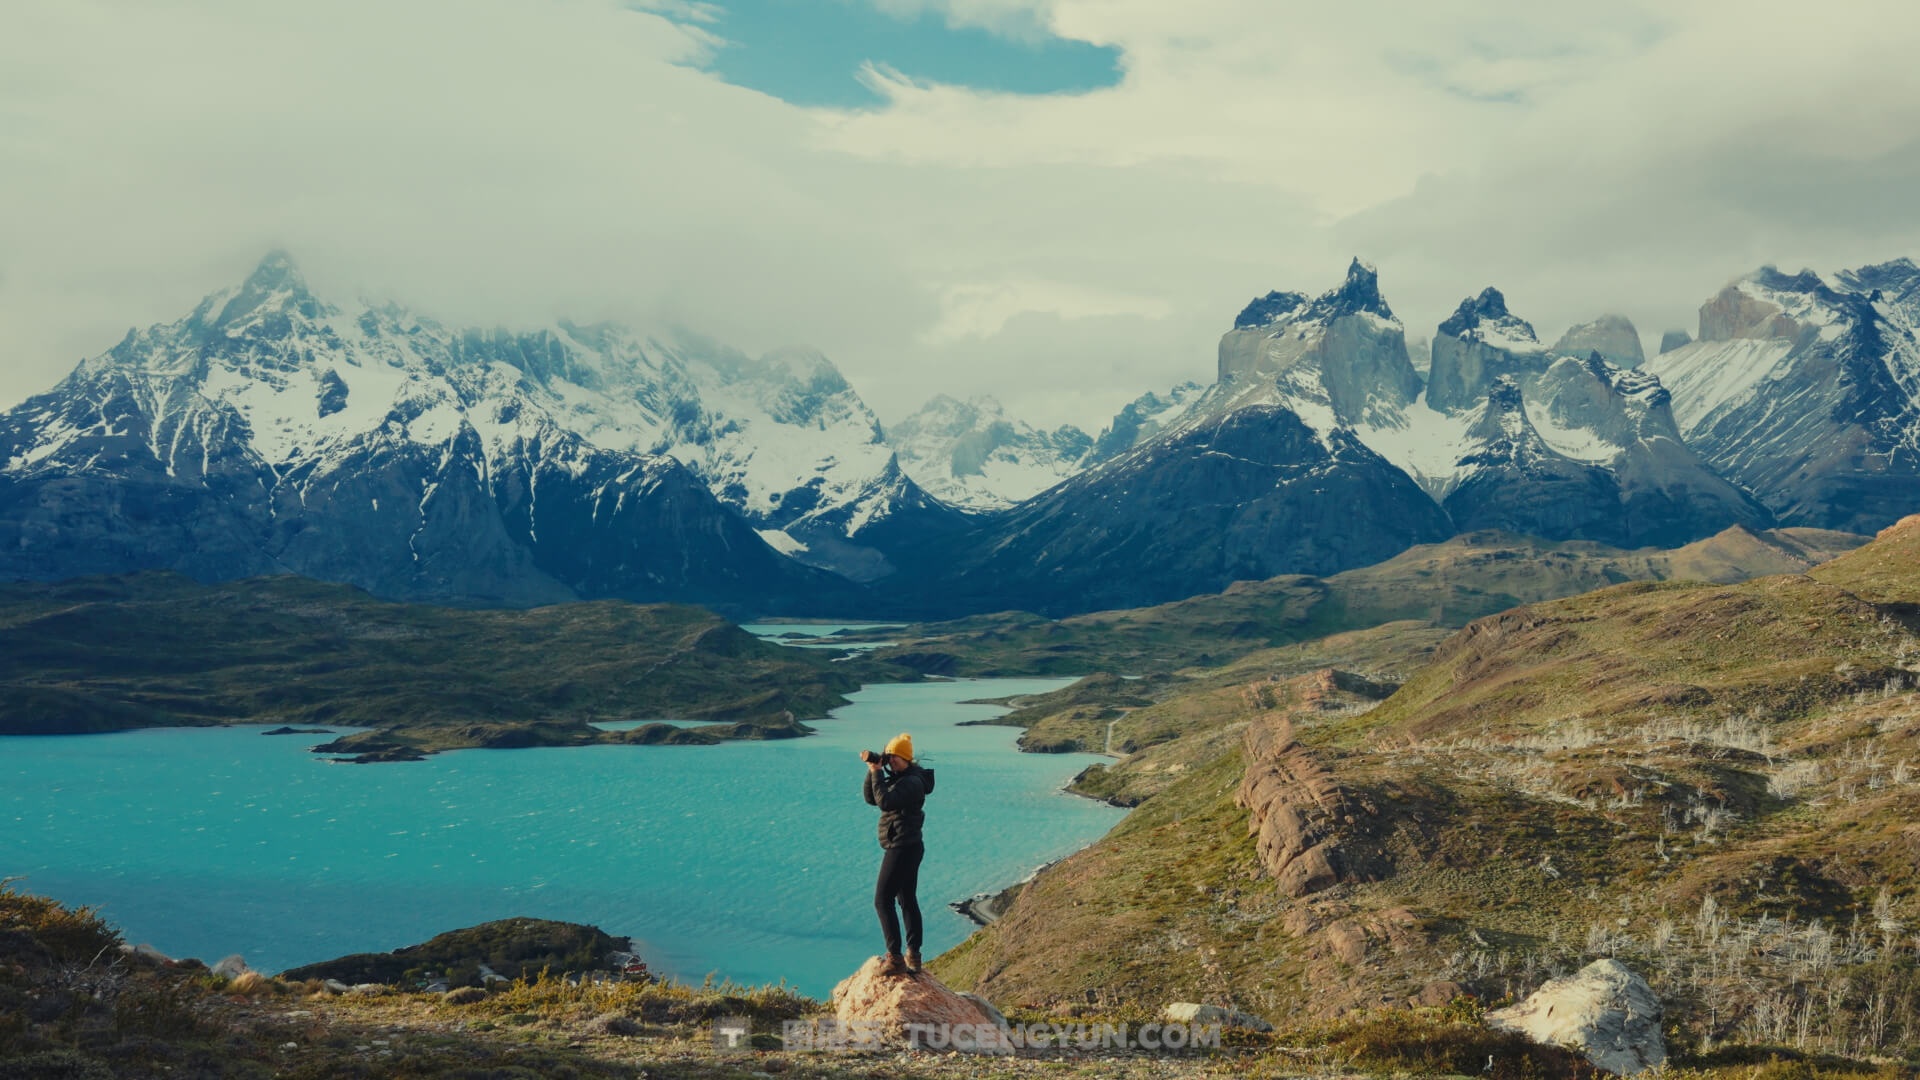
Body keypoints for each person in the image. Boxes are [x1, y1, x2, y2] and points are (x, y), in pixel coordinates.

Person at [861, 732, 935, 977]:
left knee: (882, 900)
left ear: (906, 758)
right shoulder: (902, 777)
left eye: (895, 757)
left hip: (902, 848)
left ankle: (895, 959)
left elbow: (885, 802)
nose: (891, 761)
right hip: (908, 846)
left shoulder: (912, 783)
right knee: (906, 899)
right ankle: (913, 956)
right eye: (889, 756)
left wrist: (877, 773)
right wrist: (873, 770)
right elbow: (871, 798)